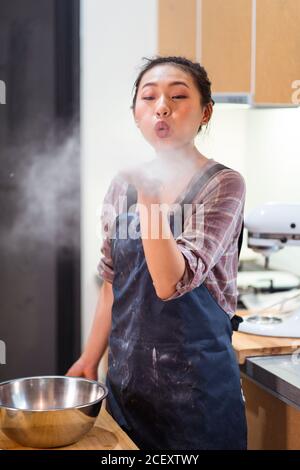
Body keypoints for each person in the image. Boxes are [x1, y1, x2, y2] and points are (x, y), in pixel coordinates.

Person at [67, 56, 247, 450]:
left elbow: (170, 282)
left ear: (205, 112)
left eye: (178, 96)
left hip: (198, 399)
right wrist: (88, 358)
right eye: (149, 97)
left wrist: (149, 196)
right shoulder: (123, 185)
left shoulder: (223, 185)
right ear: (136, 114)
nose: (162, 106)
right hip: (127, 392)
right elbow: (112, 282)